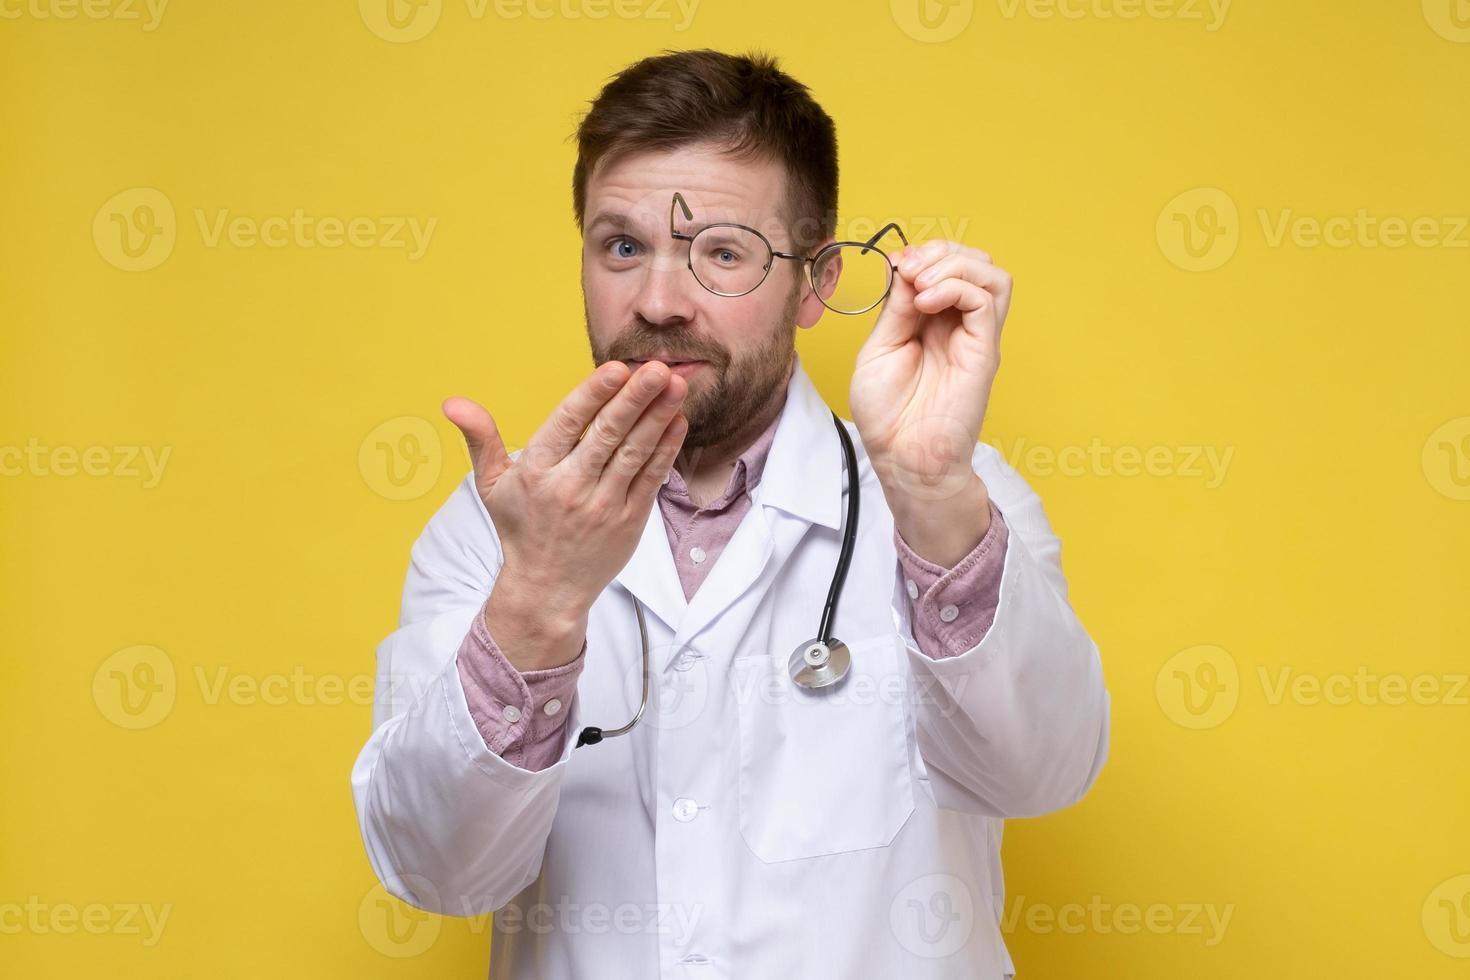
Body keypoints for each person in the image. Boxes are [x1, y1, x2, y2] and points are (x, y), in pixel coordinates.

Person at [350, 47, 1109, 979]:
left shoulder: (951, 500)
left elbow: (1042, 774)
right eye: (622, 246)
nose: (661, 304)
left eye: (721, 253)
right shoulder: (495, 532)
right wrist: (539, 603)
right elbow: (437, 873)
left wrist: (931, 493)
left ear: (817, 281)